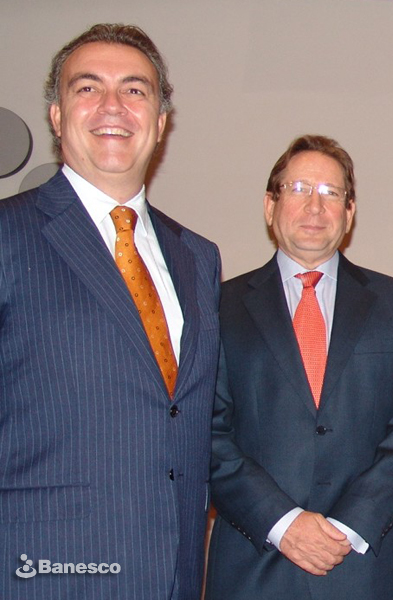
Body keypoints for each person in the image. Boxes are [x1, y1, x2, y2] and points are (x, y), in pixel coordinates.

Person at [0, 24, 221, 600]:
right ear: (56, 116)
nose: (112, 105)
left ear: (161, 121)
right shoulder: (7, 235)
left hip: (173, 571)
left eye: (134, 90)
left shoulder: (198, 256)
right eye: (87, 87)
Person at [205, 135, 393, 599]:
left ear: (349, 213)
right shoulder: (217, 306)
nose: (315, 206)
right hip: (255, 563)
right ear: (269, 205)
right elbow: (205, 430)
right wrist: (284, 523)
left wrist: (348, 527)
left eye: (331, 193)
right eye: (299, 189)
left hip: (363, 565)